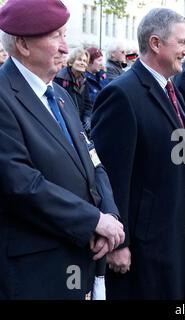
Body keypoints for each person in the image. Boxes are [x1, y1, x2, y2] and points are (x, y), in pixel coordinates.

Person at [0, 0, 124, 299]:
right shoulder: (4, 97)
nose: (65, 48)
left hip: (79, 255)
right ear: (23, 44)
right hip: (35, 269)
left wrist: (109, 215)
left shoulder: (61, 95)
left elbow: (92, 160)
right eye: (55, 36)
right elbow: (21, 183)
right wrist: (92, 221)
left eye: (64, 35)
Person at [91, 8, 185, 299]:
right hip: (142, 248)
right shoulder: (122, 94)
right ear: (155, 43)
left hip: (172, 235)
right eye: (182, 42)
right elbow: (111, 177)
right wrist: (118, 244)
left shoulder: (170, 89)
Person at [54, 47, 93, 134]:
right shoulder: (60, 78)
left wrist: (87, 117)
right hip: (65, 124)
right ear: (71, 62)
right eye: (79, 60)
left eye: (84, 61)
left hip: (80, 124)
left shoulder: (84, 80)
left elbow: (88, 103)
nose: (82, 63)